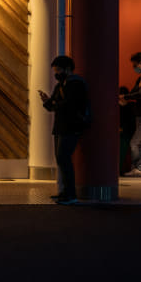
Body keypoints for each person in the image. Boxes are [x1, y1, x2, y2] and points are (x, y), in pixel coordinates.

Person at [39, 55, 89, 205]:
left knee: (63, 158)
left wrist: (54, 102)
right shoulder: (60, 85)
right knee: (61, 159)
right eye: (55, 70)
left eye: (58, 69)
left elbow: (69, 105)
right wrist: (47, 101)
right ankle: (65, 192)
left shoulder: (76, 83)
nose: (56, 73)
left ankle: (70, 194)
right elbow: (53, 106)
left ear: (67, 68)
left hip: (72, 126)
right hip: (60, 126)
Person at [118, 86, 136, 174]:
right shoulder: (117, 107)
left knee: (122, 149)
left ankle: (118, 168)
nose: (122, 97)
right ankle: (118, 169)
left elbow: (131, 122)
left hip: (126, 133)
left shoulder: (131, 106)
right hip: (120, 133)